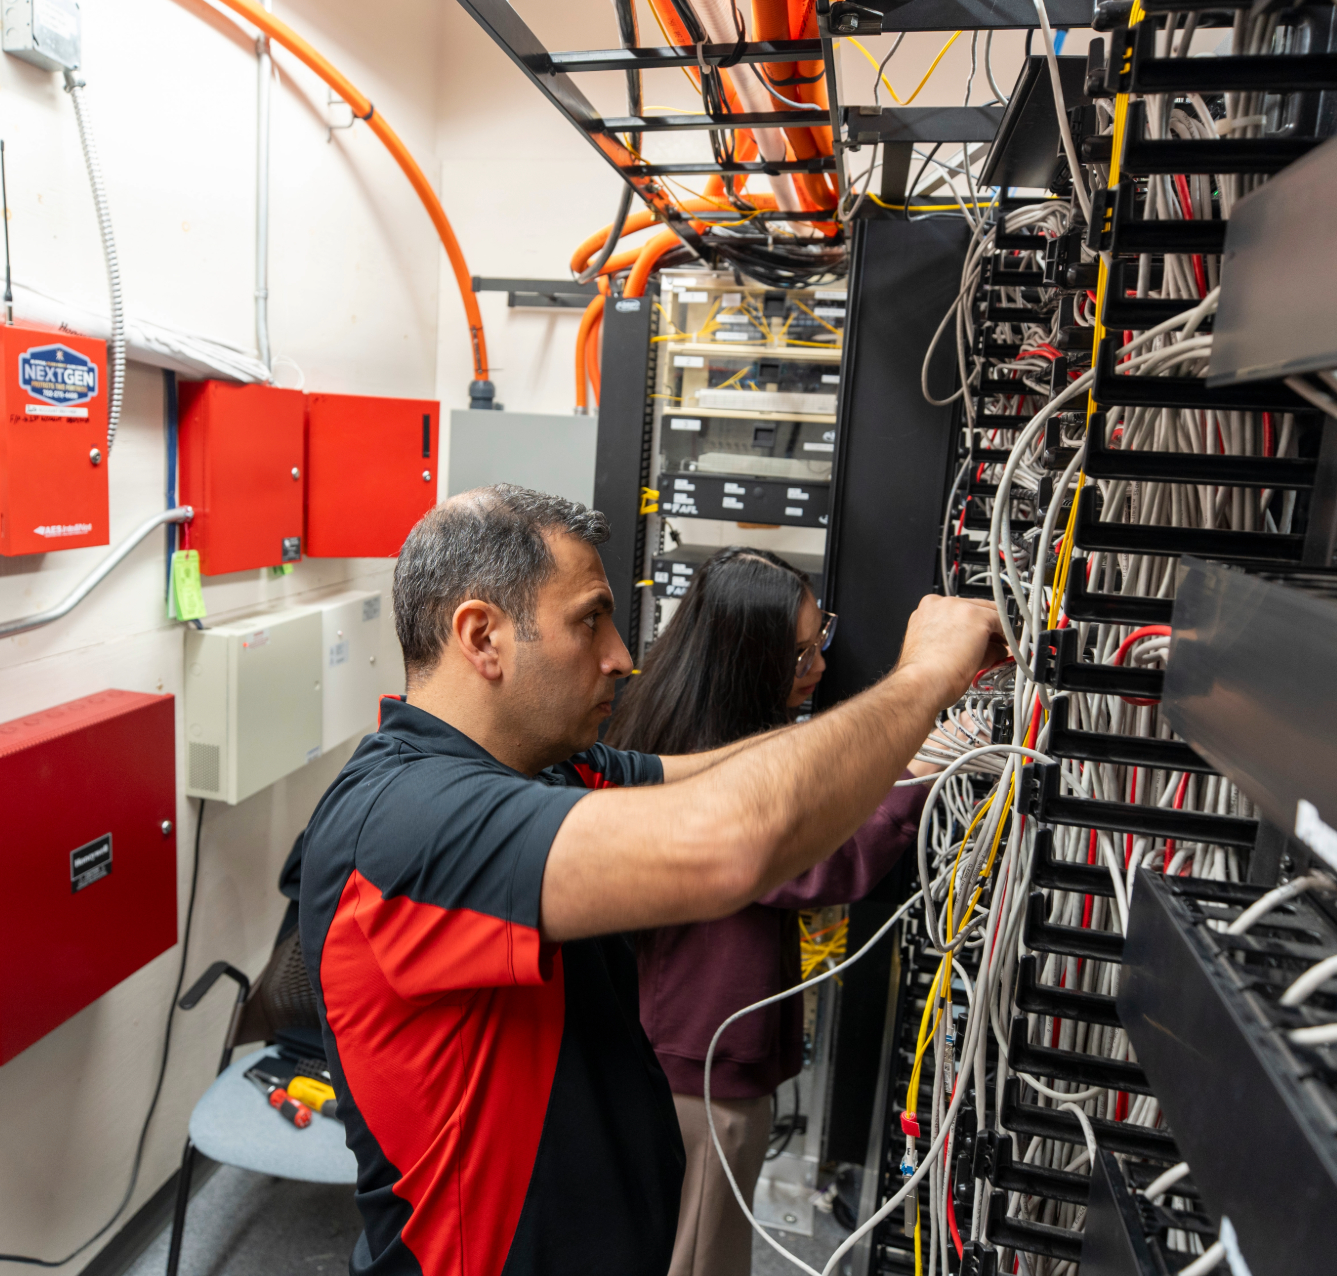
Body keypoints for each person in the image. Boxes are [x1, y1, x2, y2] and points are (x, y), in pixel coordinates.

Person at [294, 485, 1003, 1276]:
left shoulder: (547, 768)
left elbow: (710, 774)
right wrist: (923, 675)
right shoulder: (410, 822)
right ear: (482, 636)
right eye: (589, 618)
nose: (622, 656)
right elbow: (732, 841)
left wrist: (929, 745)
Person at [607, 548, 934, 1276]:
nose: (816, 665)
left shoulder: (687, 727)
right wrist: (919, 772)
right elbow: (818, 859)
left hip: (699, 1048)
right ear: (745, 661)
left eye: (821, 640)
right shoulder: (709, 756)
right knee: (700, 1253)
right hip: (702, 1061)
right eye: (797, 656)